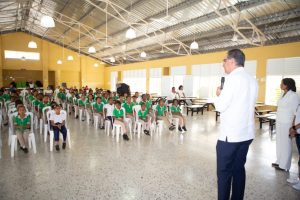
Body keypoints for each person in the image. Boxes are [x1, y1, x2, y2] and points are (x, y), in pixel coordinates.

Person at [214, 49, 258, 200]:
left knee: (224, 173)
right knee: (239, 170)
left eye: (224, 61)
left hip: (230, 137)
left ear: (232, 61)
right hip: (246, 134)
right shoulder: (252, 79)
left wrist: (219, 95)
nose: (223, 64)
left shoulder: (232, 79)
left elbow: (220, 106)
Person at [272, 78, 300, 171]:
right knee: (279, 142)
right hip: (279, 121)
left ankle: (285, 166)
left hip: (287, 122)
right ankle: (279, 161)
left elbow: (296, 112)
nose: (280, 85)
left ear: (287, 85)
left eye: (282, 83)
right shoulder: (282, 94)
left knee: (286, 143)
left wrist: (293, 126)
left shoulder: (294, 96)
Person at [287, 104, 300, 190]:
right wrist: (292, 127)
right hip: (298, 133)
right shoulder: (299, 104)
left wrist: (294, 127)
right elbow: (296, 116)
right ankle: (299, 179)